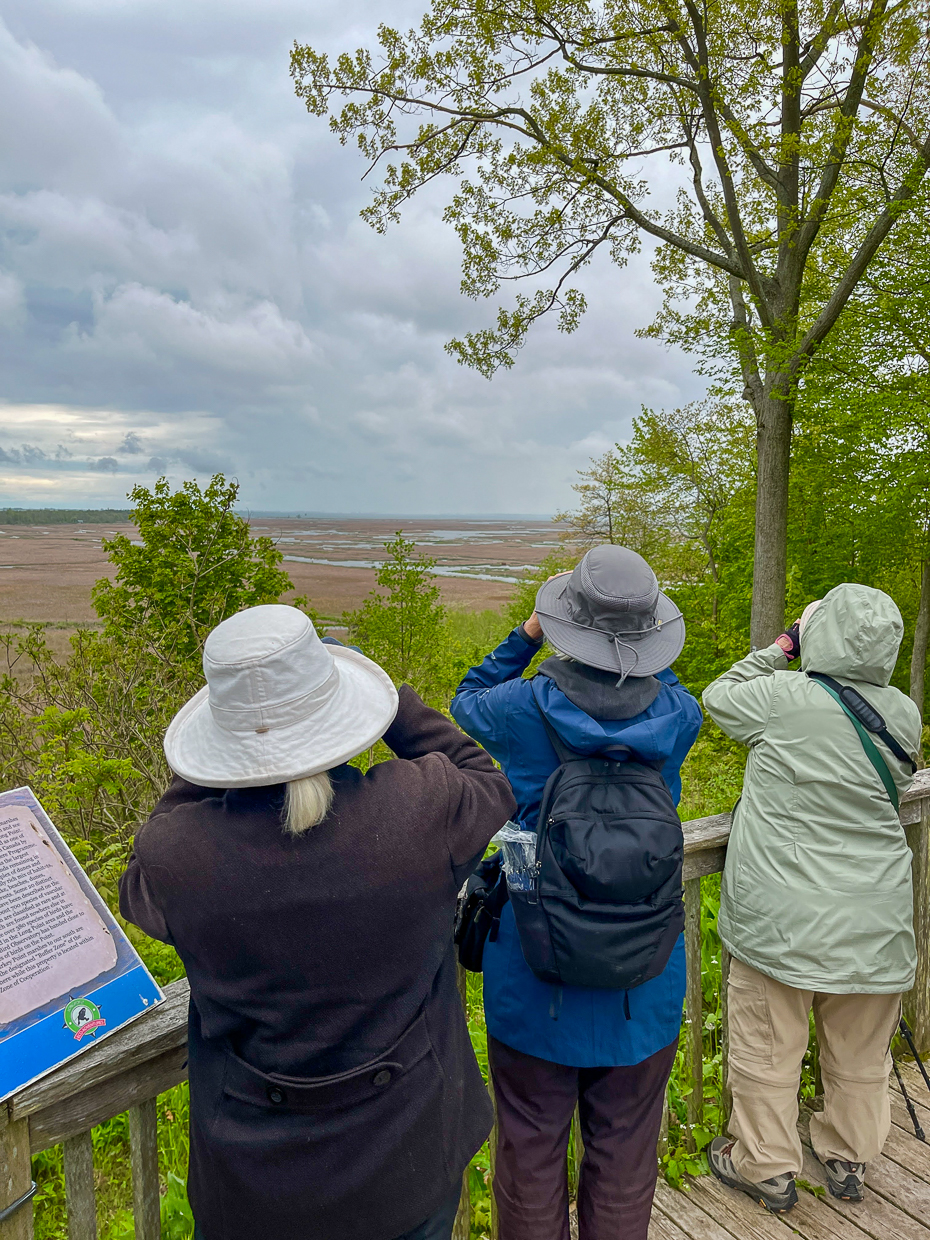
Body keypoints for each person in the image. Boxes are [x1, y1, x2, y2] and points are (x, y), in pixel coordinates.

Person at [119, 604, 516, 1240]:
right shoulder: (420, 812)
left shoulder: (179, 860)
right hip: (408, 1159)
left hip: (254, 1183)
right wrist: (386, 694)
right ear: (344, 712)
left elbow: (142, 878)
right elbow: (484, 776)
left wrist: (219, 746)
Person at [451, 545, 703, 1240]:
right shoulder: (678, 718)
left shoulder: (521, 708)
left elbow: (463, 698)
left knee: (530, 1151)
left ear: (566, 626)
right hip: (643, 983)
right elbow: (670, 685)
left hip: (534, 974)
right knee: (625, 1158)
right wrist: (642, 644)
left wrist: (529, 634)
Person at [702, 584, 923, 1212]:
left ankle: (766, 1166)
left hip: (783, 922)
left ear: (819, 634)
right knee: (859, 1054)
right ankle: (848, 1156)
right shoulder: (902, 713)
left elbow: (716, 698)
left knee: (768, 1050)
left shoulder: (781, 698)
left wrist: (781, 645)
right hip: (876, 920)